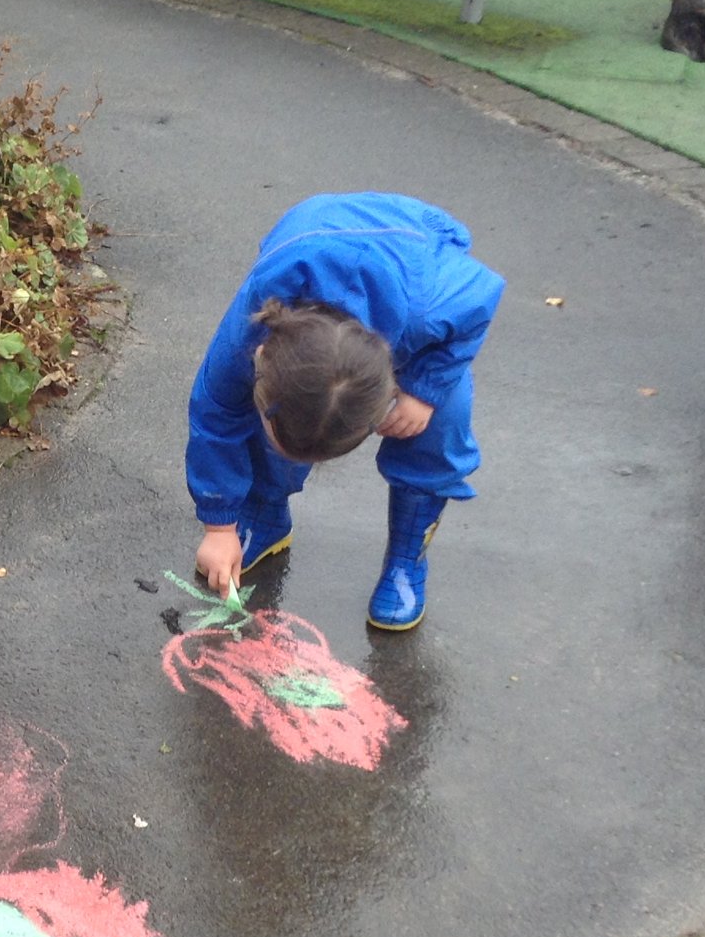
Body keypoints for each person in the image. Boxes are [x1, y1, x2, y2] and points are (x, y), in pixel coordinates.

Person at [186, 192, 504, 630]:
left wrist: (424, 390)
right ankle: (266, 512)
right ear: (262, 357)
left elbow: (482, 298)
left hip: (415, 252)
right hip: (315, 228)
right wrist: (218, 526)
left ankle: (406, 557)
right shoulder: (255, 322)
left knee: (441, 421)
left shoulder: (432, 307)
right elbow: (214, 414)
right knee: (290, 412)